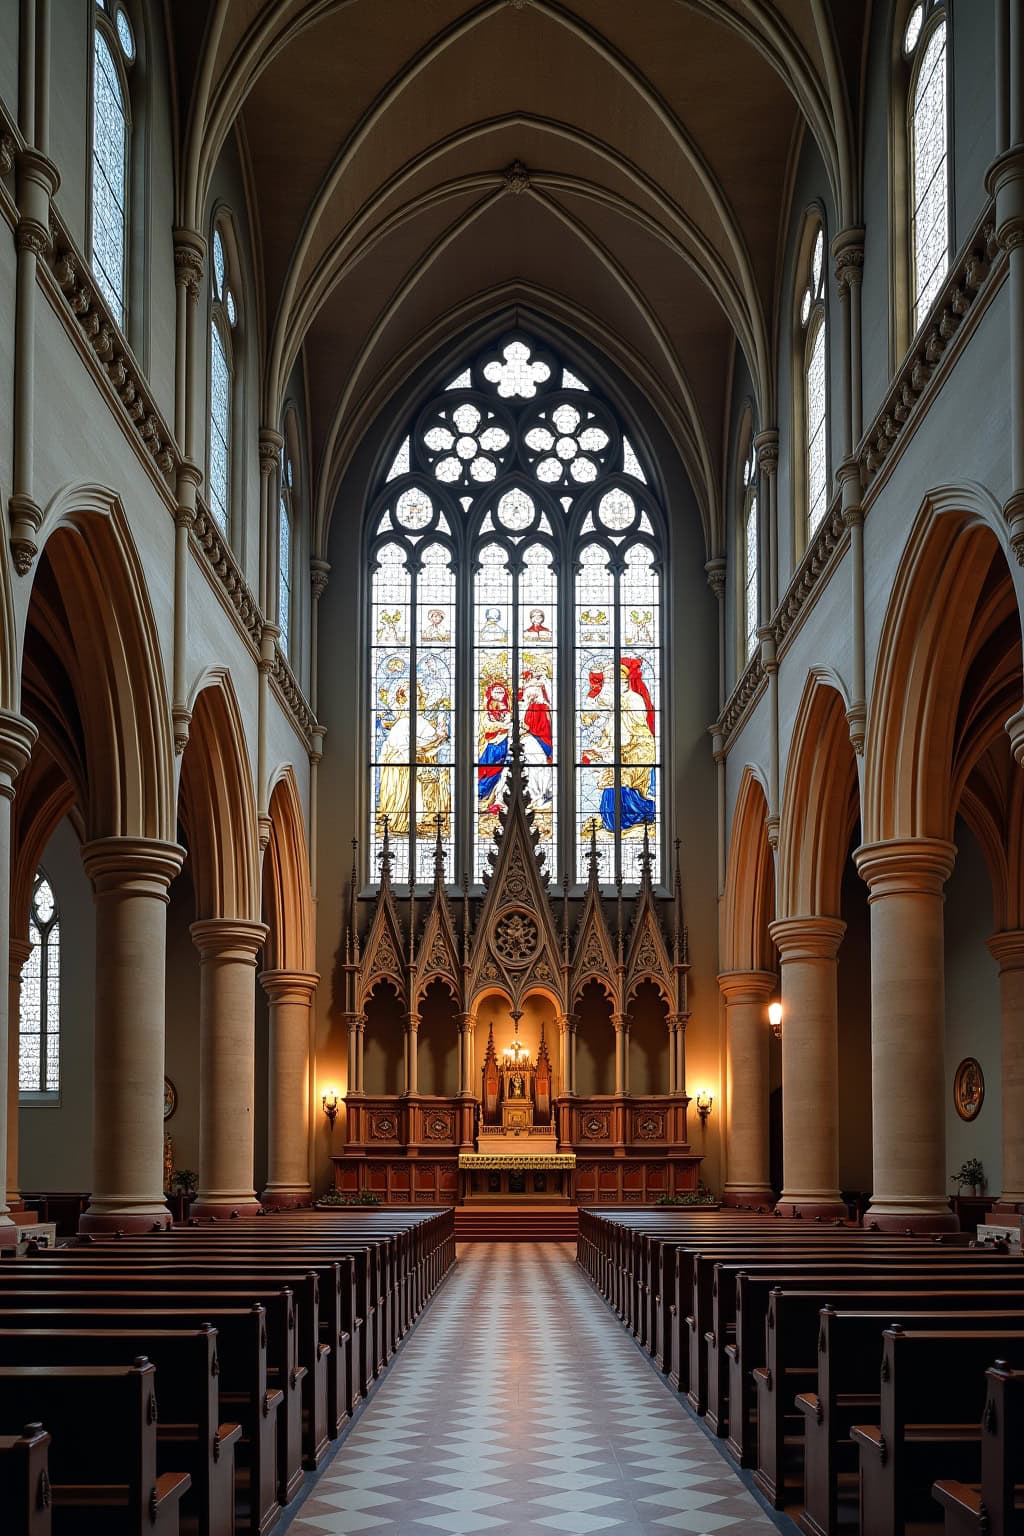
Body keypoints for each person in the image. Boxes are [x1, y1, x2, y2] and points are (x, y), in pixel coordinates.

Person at [518, 656, 553, 807]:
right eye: (529, 694)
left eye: (534, 693)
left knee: (534, 760)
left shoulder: (542, 707)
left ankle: (536, 794)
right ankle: (526, 795)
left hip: (540, 740)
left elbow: (538, 727)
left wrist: (524, 730)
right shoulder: (526, 706)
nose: (531, 696)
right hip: (530, 739)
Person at [477, 679, 512, 813]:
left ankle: (493, 797)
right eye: (496, 691)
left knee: (500, 769)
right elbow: (487, 727)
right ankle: (481, 794)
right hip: (492, 744)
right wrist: (502, 726)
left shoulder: (507, 710)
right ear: (491, 693)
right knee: (487, 768)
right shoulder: (487, 711)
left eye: (501, 691)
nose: (499, 694)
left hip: (504, 743)